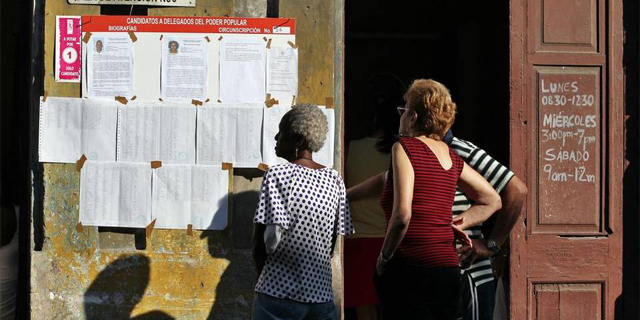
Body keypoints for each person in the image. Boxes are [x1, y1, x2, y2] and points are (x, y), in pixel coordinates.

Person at [347, 79, 502, 319]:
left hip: (410, 267)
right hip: (447, 271)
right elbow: (492, 199)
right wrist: (454, 225)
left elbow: (402, 216)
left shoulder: (405, 148)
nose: (400, 116)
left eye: (404, 109)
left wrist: (384, 258)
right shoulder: (450, 155)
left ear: (413, 117)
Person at [252, 103, 355, 320]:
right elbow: (331, 244)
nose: (276, 137)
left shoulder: (278, 175)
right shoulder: (335, 179)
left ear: (298, 140)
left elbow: (262, 242)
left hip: (278, 295)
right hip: (321, 299)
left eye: (282, 132)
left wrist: (268, 281)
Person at [444, 130, 528, 320]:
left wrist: (492, 244)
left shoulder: (458, 149)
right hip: (441, 276)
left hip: (468, 274)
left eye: (406, 110)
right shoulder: (419, 154)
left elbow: (516, 191)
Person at [343, 73, 403, 320]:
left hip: (358, 242)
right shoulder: (402, 152)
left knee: (365, 310)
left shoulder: (351, 149)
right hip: (394, 242)